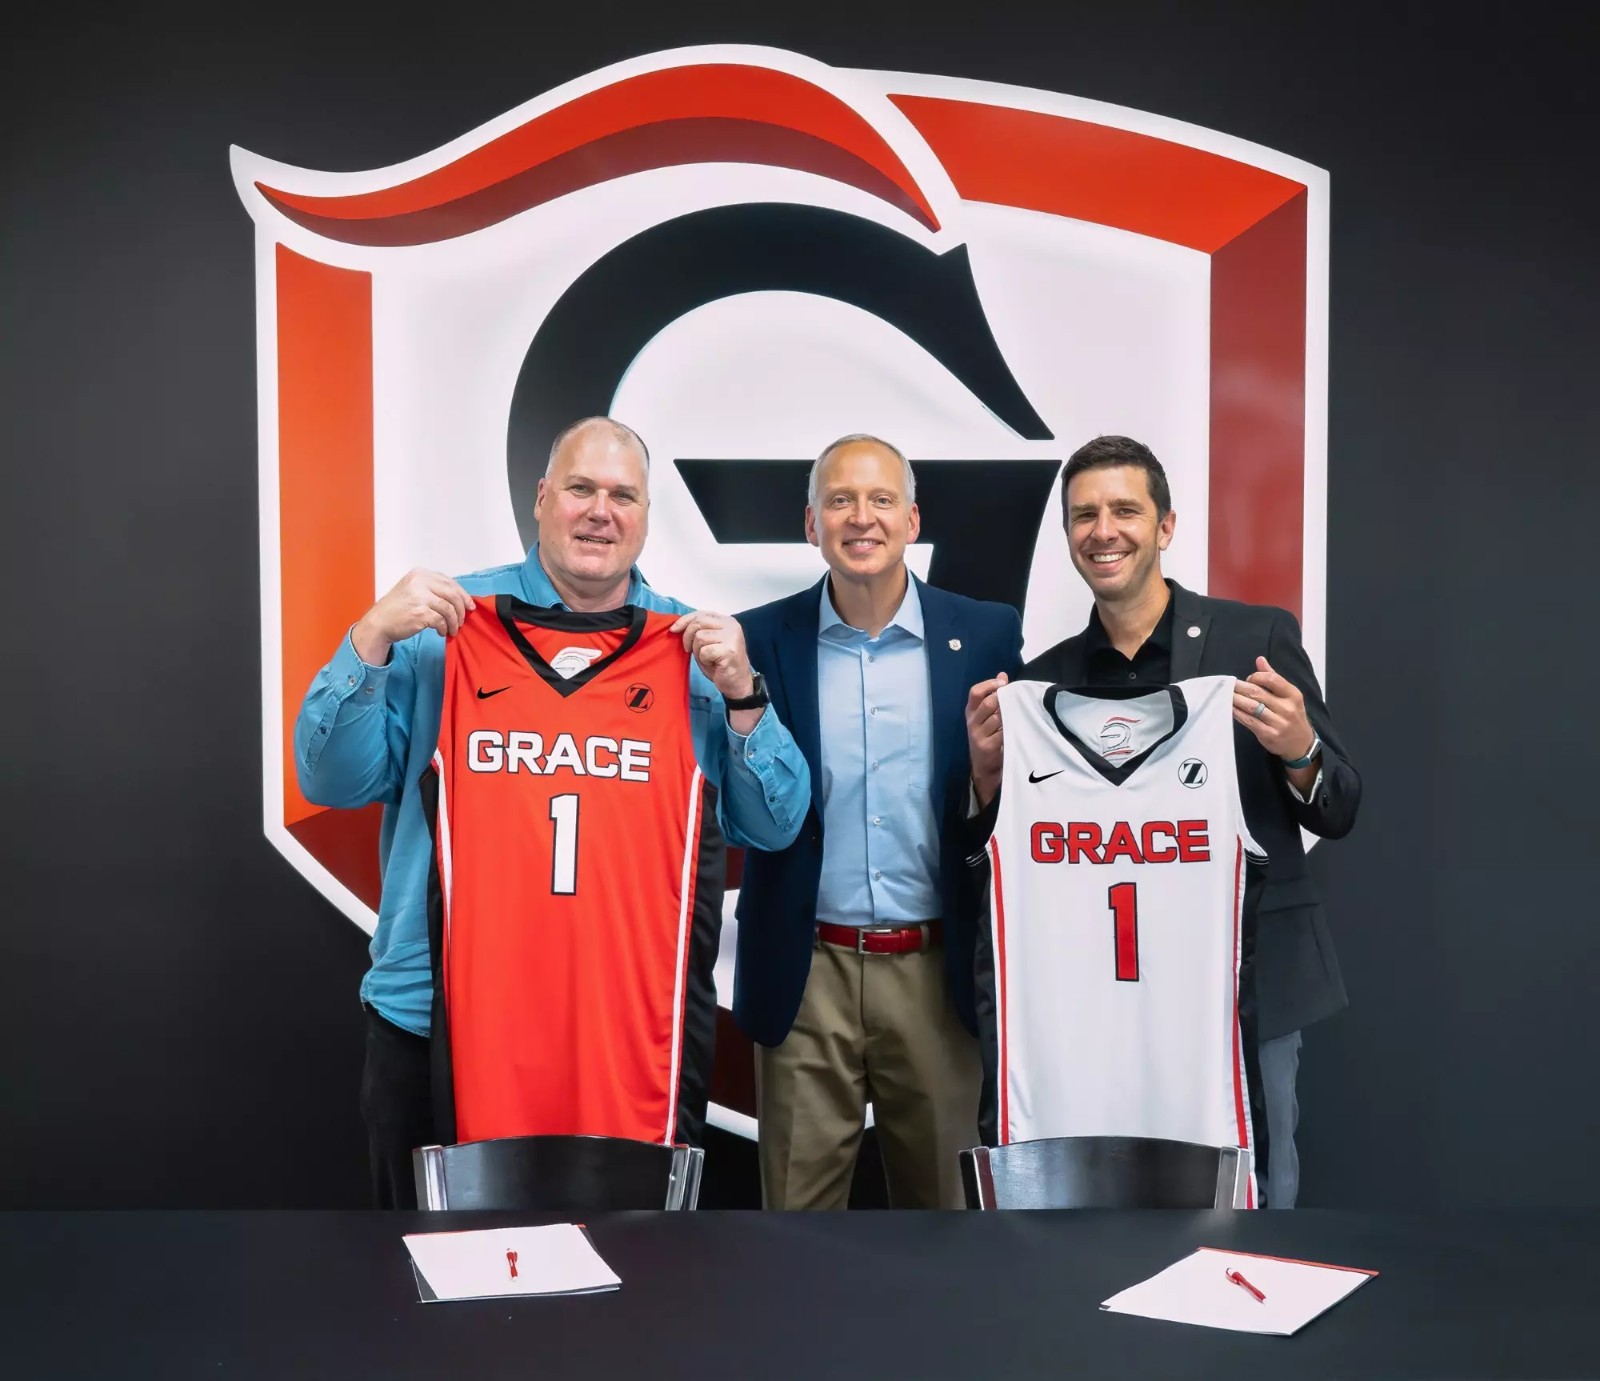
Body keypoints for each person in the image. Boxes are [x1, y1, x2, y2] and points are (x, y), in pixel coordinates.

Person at [294, 416, 809, 1208]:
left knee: (618, 1266)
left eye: (622, 495)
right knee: (434, 1263)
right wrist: (369, 637)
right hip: (436, 1016)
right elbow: (330, 778)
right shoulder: (447, 626)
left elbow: (775, 823)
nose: (600, 511)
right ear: (541, 499)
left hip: (613, 1030)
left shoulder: (692, 652)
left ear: (646, 514)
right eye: (580, 489)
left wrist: (746, 697)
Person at [966, 434, 1359, 1208]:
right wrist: (985, 777)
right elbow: (994, 856)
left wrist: (1299, 747)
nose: (1103, 530)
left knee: (1255, 1199)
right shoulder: (1041, 681)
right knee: (1103, 1207)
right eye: (1084, 515)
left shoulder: (1255, 641)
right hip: (1101, 994)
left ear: (1166, 525)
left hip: (1245, 984)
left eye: (1125, 510)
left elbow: (1340, 805)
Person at [735, 435, 1024, 1209]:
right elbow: (744, 803)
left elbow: (1016, 808)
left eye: (881, 499)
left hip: (936, 973)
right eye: (840, 500)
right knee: (794, 1232)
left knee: (948, 1229)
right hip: (806, 972)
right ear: (811, 524)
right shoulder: (757, 638)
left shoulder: (987, 634)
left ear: (912, 519)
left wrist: (987, 778)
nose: (861, 517)